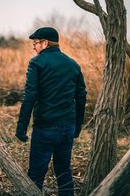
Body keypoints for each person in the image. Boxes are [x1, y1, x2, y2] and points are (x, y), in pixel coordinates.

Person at [15, 27, 87, 196]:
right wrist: (77, 127)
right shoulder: (73, 64)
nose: (34, 46)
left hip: (45, 129)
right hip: (67, 128)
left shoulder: (36, 63)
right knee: (63, 172)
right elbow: (81, 96)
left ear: (45, 43)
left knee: (35, 175)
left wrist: (21, 128)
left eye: (36, 42)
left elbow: (30, 96)